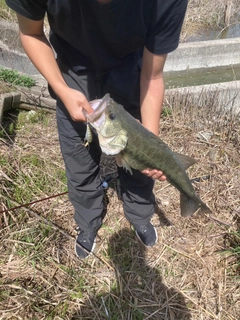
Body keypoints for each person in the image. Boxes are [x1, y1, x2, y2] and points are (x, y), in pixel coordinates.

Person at [6, 0, 188, 258]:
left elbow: (153, 75)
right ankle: (88, 222)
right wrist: (62, 90)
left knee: (138, 159)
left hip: (131, 73)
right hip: (72, 73)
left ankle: (140, 214)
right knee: (79, 164)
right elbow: (30, 32)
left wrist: (150, 144)